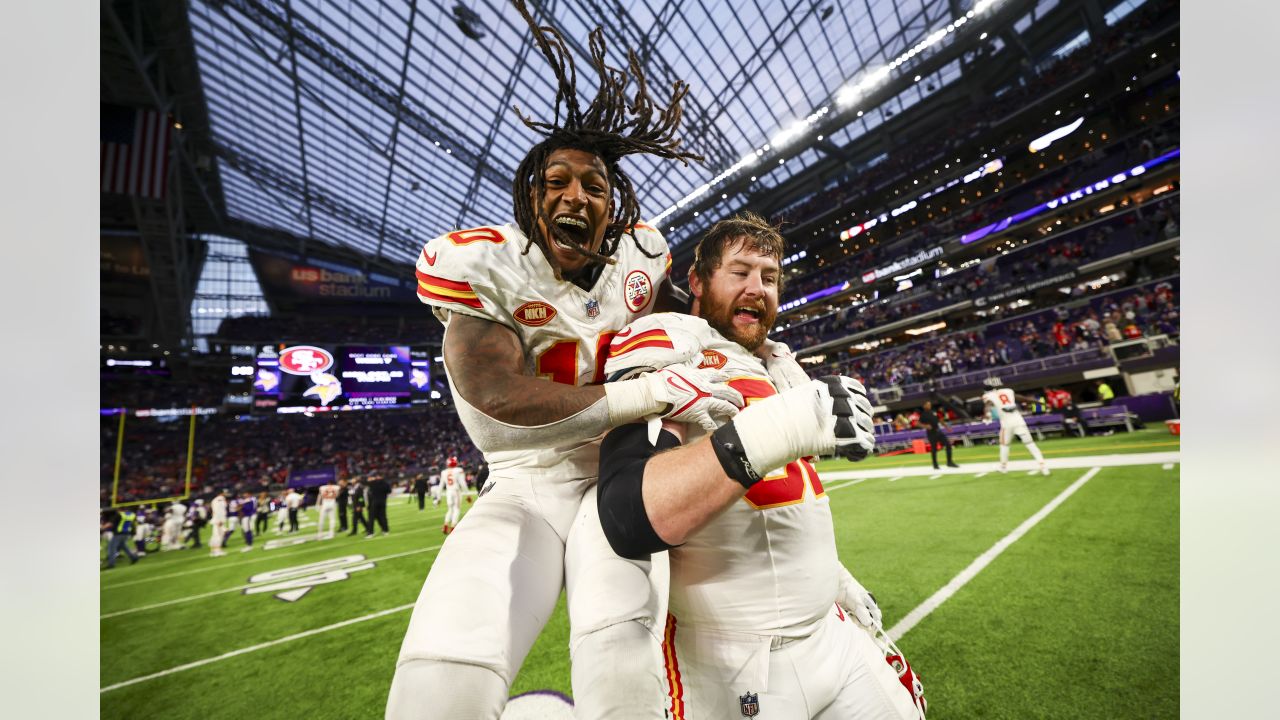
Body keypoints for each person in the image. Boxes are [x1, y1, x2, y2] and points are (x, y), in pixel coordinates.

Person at [386, 3, 739, 716]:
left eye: (595, 186)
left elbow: (680, 327)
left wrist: (723, 358)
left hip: (619, 477)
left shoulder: (642, 257)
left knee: (622, 667)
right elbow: (494, 407)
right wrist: (645, 396)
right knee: (442, 672)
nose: (576, 195)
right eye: (556, 182)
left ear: (617, 206)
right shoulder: (485, 263)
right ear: (529, 196)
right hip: (526, 483)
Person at [595, 212, 927, 719]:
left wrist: (837, 582)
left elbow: (780, 511)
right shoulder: (672, 349)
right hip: (734, 663)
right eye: (741, 272)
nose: (757, 288)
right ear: (698, 281)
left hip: (831, 634)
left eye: (769, 278)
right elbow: (629, 516)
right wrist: (778, 429)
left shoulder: (775, 362)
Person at [981, 377, 1049, 475]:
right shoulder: (1008, 391)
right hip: (1018, 420)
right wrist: (1037, 402)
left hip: (1007, 423)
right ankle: (1043, 466)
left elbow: (988, 405)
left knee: (1004, 445)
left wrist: (987, 414)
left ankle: (1003, 467)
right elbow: (1023, 398)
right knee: (1030, 444)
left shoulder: (988, 395)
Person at [920, 399, 959, 470]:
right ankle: (935, 465)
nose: (929, 405)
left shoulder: (934, 412)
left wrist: (947, 427)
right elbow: (918, 423)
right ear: (924, 406)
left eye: (930, 404)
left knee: (948, 445)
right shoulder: (923, 415)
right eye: (928, 404)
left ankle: (949, 462)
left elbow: (940, 420)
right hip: (931, 433)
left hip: (938, 431)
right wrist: (925, 426)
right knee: (934, 449)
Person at [439, 457, 466, 535]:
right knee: (457, 509)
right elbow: (462, 483)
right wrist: (467, 494)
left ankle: (445, 525)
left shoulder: (444, 472)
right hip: (456, 491)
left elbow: (441, 485)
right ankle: (453, 527)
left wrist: (438, 497)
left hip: (448, 492)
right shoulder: (458, 470)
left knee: (450, 509)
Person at [209, 490, 229, 557]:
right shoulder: (219, 499)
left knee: (216, 535)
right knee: (218, 535)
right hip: (218, 520)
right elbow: (217, 511)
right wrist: (219, 520)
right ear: (221, 493)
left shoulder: (216, 500)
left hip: (218, 520)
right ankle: (217, 551)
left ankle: (214, 550)